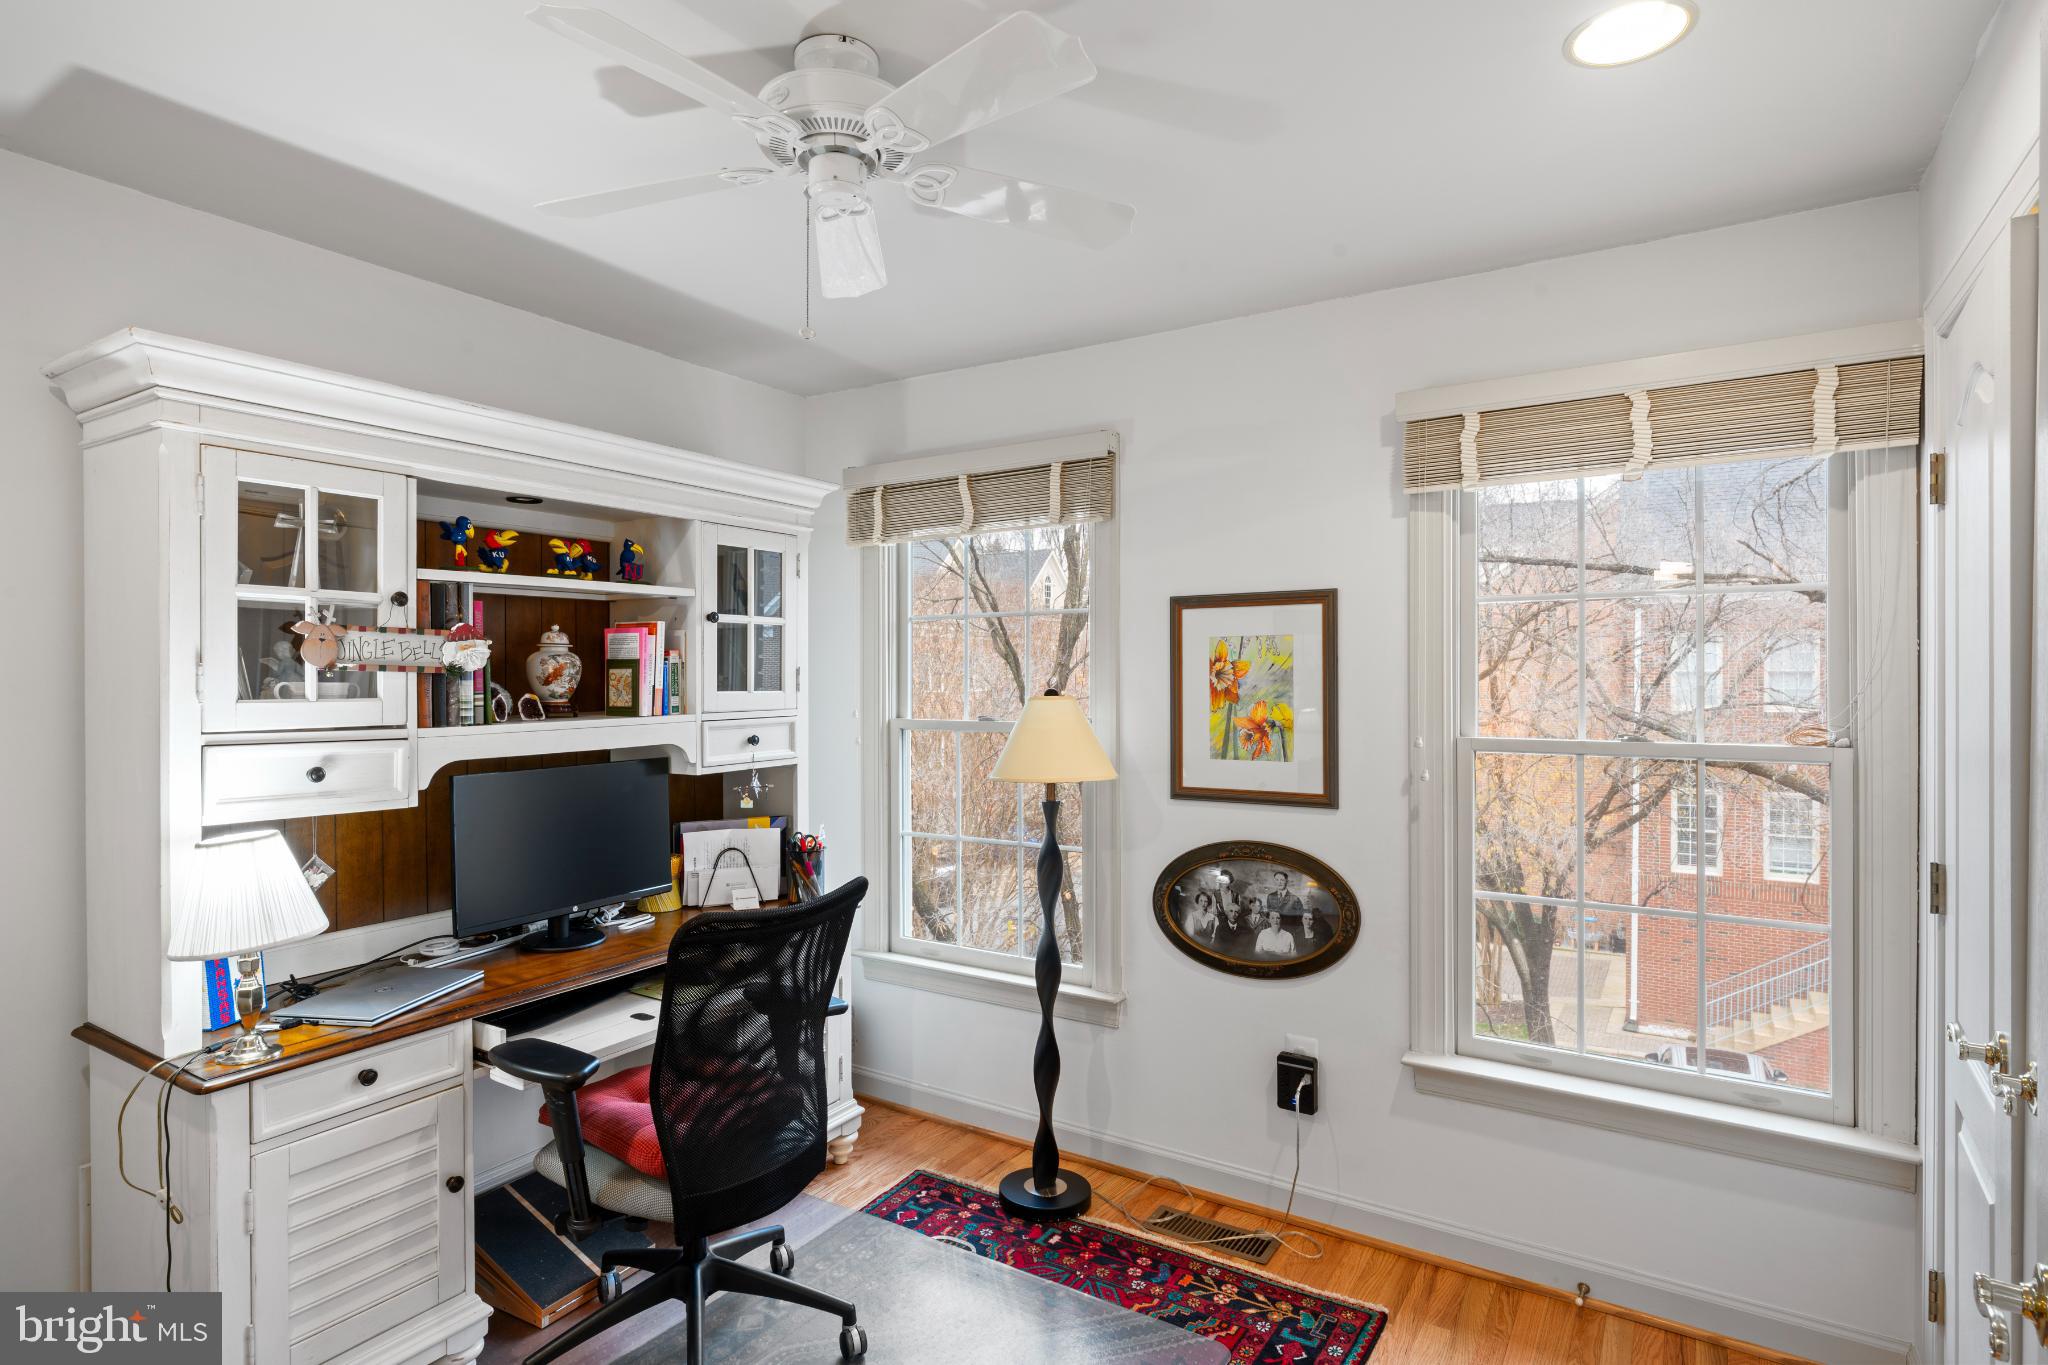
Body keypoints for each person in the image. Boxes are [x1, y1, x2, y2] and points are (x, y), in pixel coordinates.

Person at [1265, 870, 1306, 936]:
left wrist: (1294, 932)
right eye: (1277, 880)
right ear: (1274, 881)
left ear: (1286, 881)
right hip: (1273, 932)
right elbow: (1269, 915)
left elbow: (1300, 919)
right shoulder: (1270, 896)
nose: (1279, 882)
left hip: (1289, 933)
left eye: (1282, 880)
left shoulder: (1295, 898)